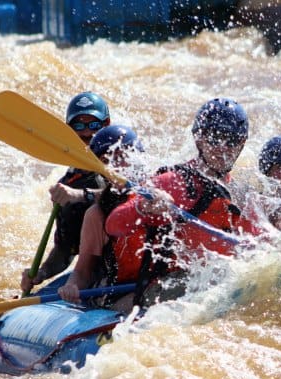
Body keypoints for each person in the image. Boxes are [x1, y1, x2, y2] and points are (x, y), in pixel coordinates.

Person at [102, 97, 262, 310]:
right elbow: (114, 224)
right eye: (214, 139)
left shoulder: (243, 195)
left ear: (242, 145)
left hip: (219, 288)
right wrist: (144, 207)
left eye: (231, 140)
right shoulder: (173, 182)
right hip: (167, 287)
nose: (223, 148)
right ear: (199, 140)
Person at [21, 91, 112, 294]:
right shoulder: (68, 184)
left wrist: (81, 195)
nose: (87, 133)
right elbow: (65, 251)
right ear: (69, 131)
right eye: (79, 126)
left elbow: (128, 194)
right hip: (99, 270)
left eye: (94, 125)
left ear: (107, 124)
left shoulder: (125, 159)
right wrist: (42, 273)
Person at [57, 124, 148, 310]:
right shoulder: (97, 215)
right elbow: (83, 271)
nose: (116, 166)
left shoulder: (159, 199)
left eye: (123, 156)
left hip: (153, 284)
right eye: (106, 160)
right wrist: (71, 286)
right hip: (116, 291)